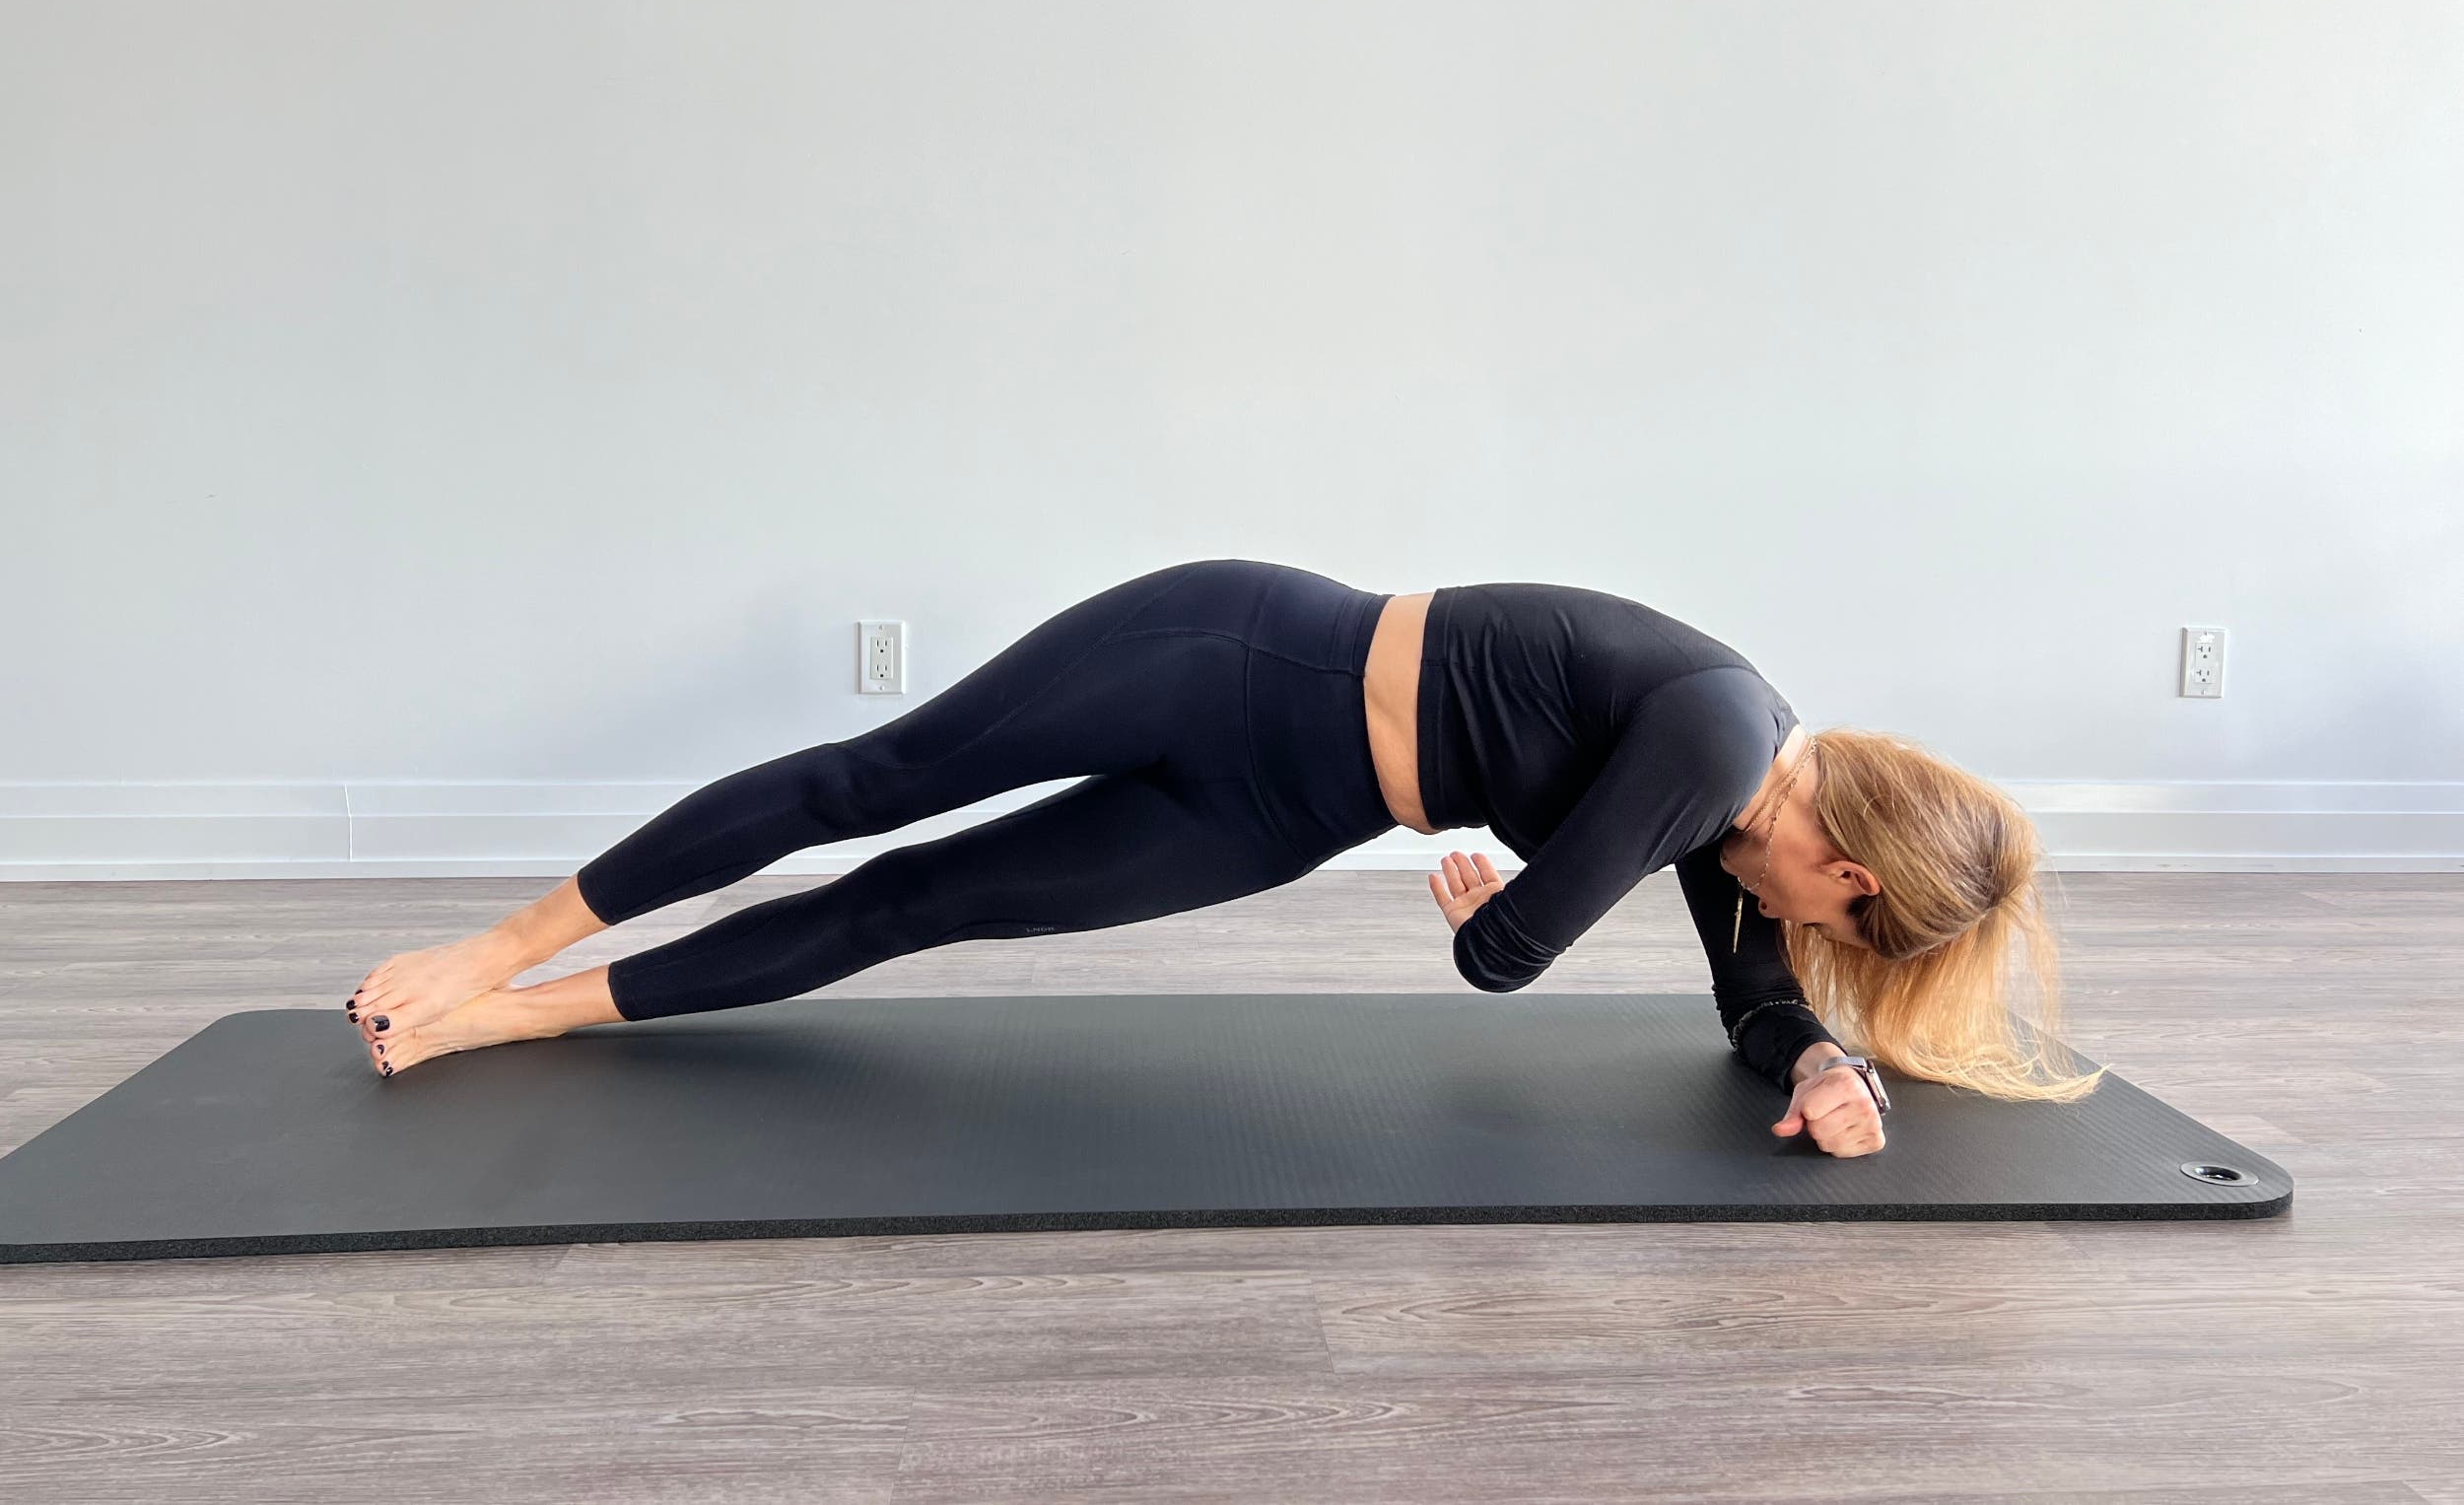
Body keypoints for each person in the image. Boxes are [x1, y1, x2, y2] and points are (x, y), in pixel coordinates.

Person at [341, 557, 2101, 1154]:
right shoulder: (1723, 737)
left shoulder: (1736, 829)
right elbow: (1501, 959)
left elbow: (1739, 991)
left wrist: (1813, 1059)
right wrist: (1519, 913)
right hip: (1242, 653)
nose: (1804, 935)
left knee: (925, 901)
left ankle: (527, 1018)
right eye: (1840, 938)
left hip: (1288, 807)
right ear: (1849, 870)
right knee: (873, 785)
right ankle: (503, 948)